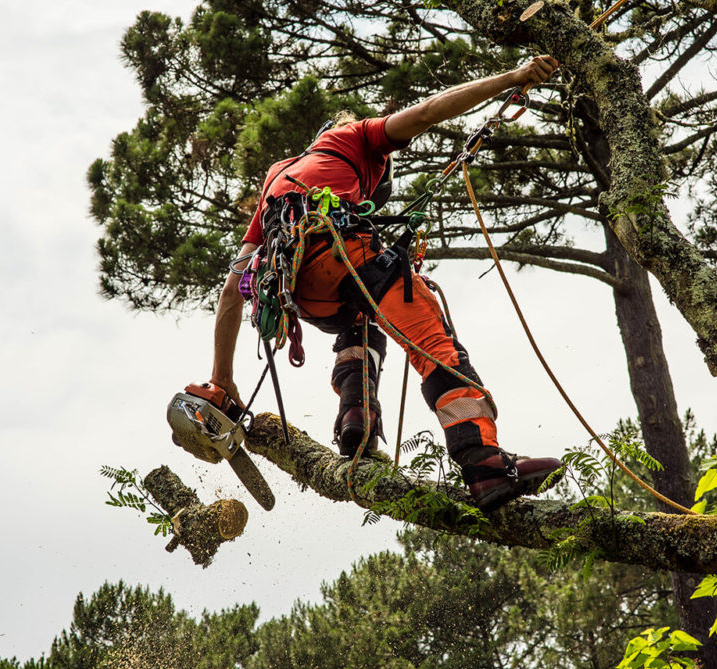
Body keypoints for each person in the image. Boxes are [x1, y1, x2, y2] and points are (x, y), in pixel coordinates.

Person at [211, 56, 562, 511]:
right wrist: (512, 79)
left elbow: (230, 291)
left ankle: (355, 418)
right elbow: (429, 111)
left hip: (301, 294)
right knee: (435, 345)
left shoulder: (278, 177)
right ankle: (484, 465)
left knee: (359, 326)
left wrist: (222, 376)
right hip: (343, 254)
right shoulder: (354, 138)